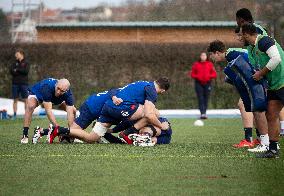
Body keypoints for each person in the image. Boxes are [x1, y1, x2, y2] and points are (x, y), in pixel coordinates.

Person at [48, 77, 170, 144]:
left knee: (91, 138)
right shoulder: (151, 91)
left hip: (104, 107)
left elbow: (113, 90)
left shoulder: (138, 85)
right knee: (151, 113)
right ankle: (127, 134)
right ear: (163, 91)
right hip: (99, 107)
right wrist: (162, 126)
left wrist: (111, 130)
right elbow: (149, 114)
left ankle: (57, 131)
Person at [207, 40, 269, 152]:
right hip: (261, 80)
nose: (211, 58)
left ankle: (250, 139)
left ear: (216, 53)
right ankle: (260, 138)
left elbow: (248, 71)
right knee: (249, 106)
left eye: (211, 55)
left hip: (262, 81)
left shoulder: (233, 55)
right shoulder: (231, 54)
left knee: (245, 105)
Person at [240, 23, 284, 158]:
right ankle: (273, 149)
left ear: (247, 34)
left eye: (241, 34)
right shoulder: (252, 48)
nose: (239, 37)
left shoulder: (264, 40)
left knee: (271, 114)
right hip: (274, 85)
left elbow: (276, 58)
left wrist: (261, 73)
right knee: (271, 115)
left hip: (283, 82)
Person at [32, 89, 122, 144]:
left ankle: (42, 131)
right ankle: (45, 131)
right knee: (74, 132)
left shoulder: (125, 92)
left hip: (95, 106)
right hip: (91, 107)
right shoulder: (124, 94)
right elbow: (112, 91)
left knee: (73, 133)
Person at [21, 78, 76, 144]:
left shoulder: (68, 95)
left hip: (55, 99)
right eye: (58, 88)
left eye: (62, 91)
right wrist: (57, 129)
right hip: (38, 93)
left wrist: (72, 133)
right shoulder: (47, 87)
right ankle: (25, 135)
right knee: (30, 106)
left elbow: (70, 115)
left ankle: (73, 133)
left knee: (73, 111)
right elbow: (48, 111)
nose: (58, 92)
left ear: (66, 91)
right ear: (56, 84)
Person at [189, 52, 217, 119]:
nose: (203, 56)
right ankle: (202, 114)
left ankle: (204, 113)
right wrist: (198, 76)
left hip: (208, 83)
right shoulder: (196, 64)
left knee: (206, 99)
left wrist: (208, 76)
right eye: (202, 55)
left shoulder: (210, 64)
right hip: (198, 83)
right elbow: (192, 74)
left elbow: (214, 74)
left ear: (206, 57)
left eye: (204, 55)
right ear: (200, 56)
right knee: (200, 99)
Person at [10, 48, 30, 119]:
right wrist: (19, 70)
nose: (16, 56)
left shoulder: (26, 62)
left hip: (24, 84)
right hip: (15, 83)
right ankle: (15, 115)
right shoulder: (14, 63)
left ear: (21, 54)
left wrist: (17, 69)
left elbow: (25, 72)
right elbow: (12, 71)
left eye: (17, 54)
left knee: (26, 99)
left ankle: (26, 115)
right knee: (15, 99)